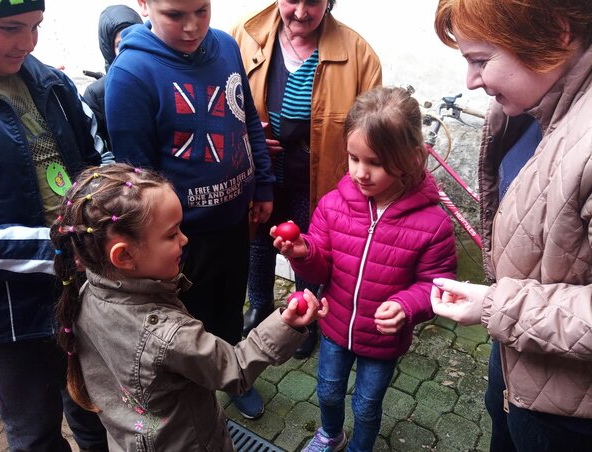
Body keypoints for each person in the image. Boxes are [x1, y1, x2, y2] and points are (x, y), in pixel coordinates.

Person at [50, 163, 328, 451]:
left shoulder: (84, 296)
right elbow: (235, 370)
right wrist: (286, 324)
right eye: (172, 235)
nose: (184, 239)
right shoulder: (169, 336)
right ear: (123, 256)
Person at [429, 1, 592, 450]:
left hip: (569, 417)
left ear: (555, 33)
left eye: (481, 60)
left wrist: (496, 307)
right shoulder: (527, 109)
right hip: (516, 366)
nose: (470, 81)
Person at [105, 0, 275, 419]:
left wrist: (264, 182)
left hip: (234, 222)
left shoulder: (226, 46)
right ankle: (197, 402)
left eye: (201, 10)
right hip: (181, 241)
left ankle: (238, 376)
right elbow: (138, 184)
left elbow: (247, 118)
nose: (191, 26)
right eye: (175, 15)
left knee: (229, 306)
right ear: (145, 4)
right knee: (188, 327)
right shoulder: (130, 76)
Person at [273, 86, 457, 451]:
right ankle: (330, 433)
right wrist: (301, 251)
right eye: (354, 158)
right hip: (335, 326)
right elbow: (321, 267)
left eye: (375, 162)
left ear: (411, 157)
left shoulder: (433, 223)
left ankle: (361, 446)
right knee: (327, 389)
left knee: (368, 405)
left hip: (383, 340)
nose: (360, 173)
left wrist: (407, 305)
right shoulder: (332, 204)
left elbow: (437, 283)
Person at [0, 1, 113, 451]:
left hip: (80, 288)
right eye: (9, 28)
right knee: (34, 429)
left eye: (36, 27)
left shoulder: (53, 83)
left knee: (93, 408)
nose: (27, 42)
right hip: (7, 313)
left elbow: (95, 156)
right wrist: (59, 251)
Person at [232, 0, 382, 360]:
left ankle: (304, 315)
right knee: (259, 242)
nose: (300, 12)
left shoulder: (359, 54)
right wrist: (248, 138)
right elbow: (221, 107)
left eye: (313, 1)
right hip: (262, 172)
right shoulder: (243, 37)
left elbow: (372, 127)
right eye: (291, 0)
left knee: (308, 246)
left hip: (317, 178)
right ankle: (260, 305)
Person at [83, 4, 143, 149]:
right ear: (109, 50)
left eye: (135, 41)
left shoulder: (159, 81)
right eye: (121, 45)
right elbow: (96, 150)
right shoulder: (96, 94)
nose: (130, 50)